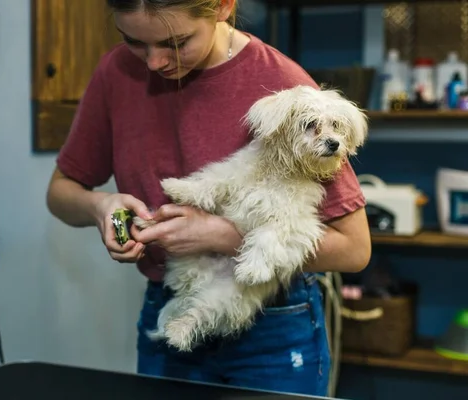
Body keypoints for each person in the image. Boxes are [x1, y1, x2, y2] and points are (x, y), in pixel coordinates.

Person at [46, 0, 371, 396]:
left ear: (223, 6)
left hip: (272, 319)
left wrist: (223, 235)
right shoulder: (115, 72)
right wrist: (100, 207)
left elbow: (355, 249)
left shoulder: (282, 84)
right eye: (133, 41)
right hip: (174, 298)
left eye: (176, 42)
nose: (154, 62)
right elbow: (61, 192)